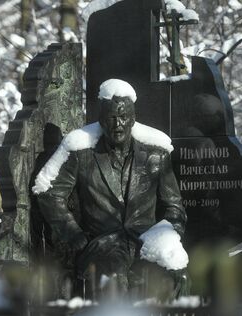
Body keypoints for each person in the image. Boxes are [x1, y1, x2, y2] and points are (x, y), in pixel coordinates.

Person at [34, 79, 187, 293]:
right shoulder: (81, 151)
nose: (118, 125)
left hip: (147, 243)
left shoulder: (156, 154)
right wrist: (73, 233)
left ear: (133, 119)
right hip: (101, 246)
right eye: (112, 118)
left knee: (171, 276)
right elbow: (47, 192)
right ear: (101, 121)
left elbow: (174, 206)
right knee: (112, 280)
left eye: (124, 117)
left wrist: (169, 236)